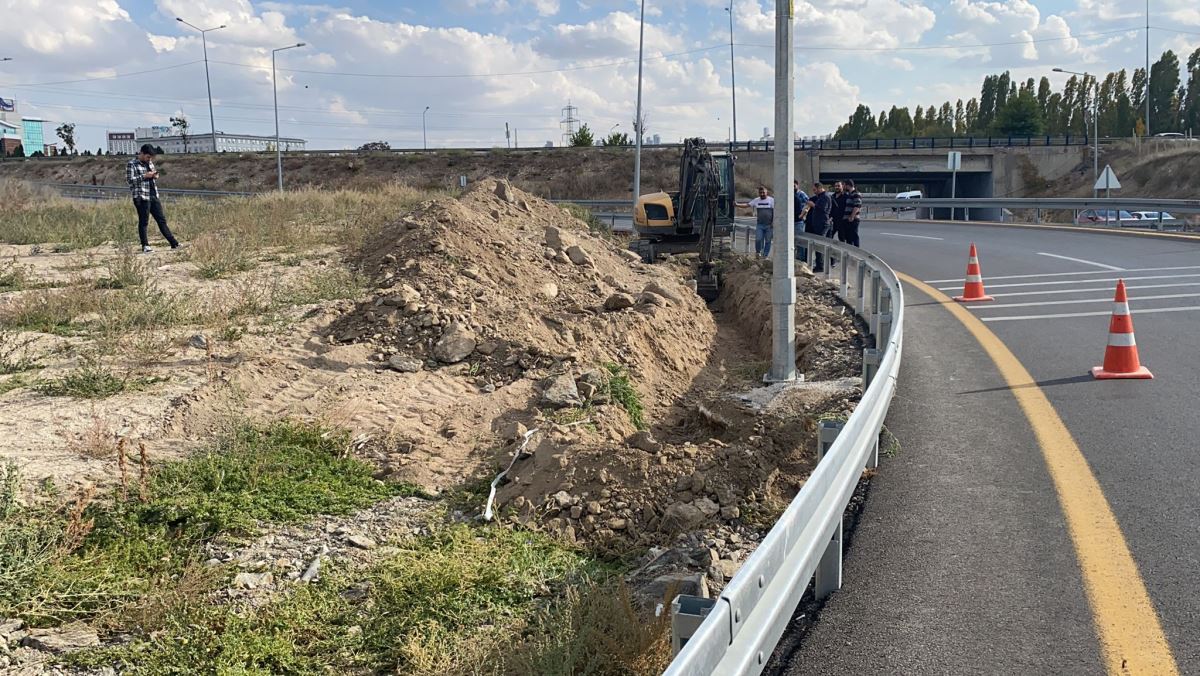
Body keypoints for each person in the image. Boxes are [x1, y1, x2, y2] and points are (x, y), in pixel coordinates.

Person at [127, 144, 180, 253]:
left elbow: (153, 173)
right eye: (147, 157)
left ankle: (174, 243)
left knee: (161, 220)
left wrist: (155, 175)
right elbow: (130, 180)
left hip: (153, 195)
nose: (149, 159)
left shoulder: (149, 163)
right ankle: (145, 245)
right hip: (141, 196)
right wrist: (145, 176)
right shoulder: (131, 164)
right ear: (141, 153)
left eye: (150, 157)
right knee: (144, 221)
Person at [798, 182, 832, 272]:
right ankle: (817, 264)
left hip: (822, 224)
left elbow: (822, 209)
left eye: (814, 190)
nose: (814, 192)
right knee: (815, 244)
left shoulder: (825, 197)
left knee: (819, 245)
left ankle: (820, 266)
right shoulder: (819, 197)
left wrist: (813, 204)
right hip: (817, 224)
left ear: (819, 188)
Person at [736, 186, 775, 258]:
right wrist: (737, 205)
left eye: (764, 192)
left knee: (768, 241)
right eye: (761, 193)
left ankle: (765, 256)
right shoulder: (756, 200)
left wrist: (773, 222)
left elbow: (775, 212)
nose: (762, 194)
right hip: (760, 224)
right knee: (758, 239)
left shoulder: (771, 200)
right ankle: (758, 252)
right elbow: (747, 205)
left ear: (767, 192)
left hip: (769, 225)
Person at [843, 179, 863, 247]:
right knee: (848, 238)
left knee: (854, 237)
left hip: (853, 219)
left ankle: (857, 253)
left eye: (844, 185)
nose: (844, 187)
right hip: (848, 220)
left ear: (848, 185)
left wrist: (852, 216)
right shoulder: (849, 194)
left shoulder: (856, 194)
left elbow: (857, 206)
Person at [793, 180, 809, 261]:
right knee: (794, 241)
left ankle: (801, 259)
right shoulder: (791, 194)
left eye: (794, 185)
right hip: (792, 220)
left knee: (800, 241)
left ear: (797, 185)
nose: (793, 187)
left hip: (799, 220)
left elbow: (808, 204)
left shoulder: (801, 194)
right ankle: (796, 258)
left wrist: (803, 215)